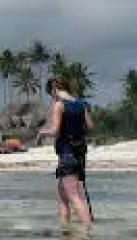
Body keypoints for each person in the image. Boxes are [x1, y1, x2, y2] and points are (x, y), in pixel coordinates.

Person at [34, 77, 94, 224]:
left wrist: (42, 133)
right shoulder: (82, 104)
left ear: (54, 90)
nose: (52, 98)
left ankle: (87, 232)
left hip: (67, 153)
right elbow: (90, 126)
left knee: (74, 196)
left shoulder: (59, 105)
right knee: (63, 195)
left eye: (51, 94)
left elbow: (54, 130)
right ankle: (64, 231)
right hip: (80, 152)